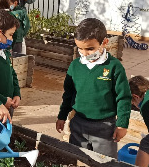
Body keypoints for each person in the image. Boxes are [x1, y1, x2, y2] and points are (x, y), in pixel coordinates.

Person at [55, 18, 131, 158]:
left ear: (104, 43)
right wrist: (62, 115)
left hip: (105, 126)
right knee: (77, 159)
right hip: (78, 123)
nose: (84, 53)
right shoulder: (75, 66)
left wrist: (122, 124)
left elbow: (123, 97)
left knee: (106, 164)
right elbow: (69, 93)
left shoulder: (114, 67)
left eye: (90, 48)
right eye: (80, 49)